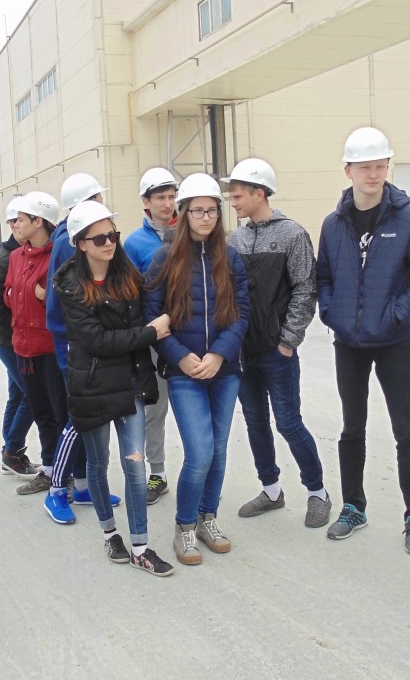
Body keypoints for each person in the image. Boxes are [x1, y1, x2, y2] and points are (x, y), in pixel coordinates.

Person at [316, 126, 410, 555]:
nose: (373, 174)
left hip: (393, 343)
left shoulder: (407, 219)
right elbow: (323, 277)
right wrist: (331, 312)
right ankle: (353, 507)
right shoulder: (333, 224)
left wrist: (396, 314)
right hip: (349, 344)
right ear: (348, 170)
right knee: (352, 428)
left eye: (380, 166)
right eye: (365, 167)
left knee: (405, 429)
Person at [54, 200, 175, 576]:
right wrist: (150, 333)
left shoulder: (128, 275)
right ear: (81, 244)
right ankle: (110, 534)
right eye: (100, 238)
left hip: (130, 382)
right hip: (91, 386)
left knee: (135, 465)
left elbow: (141, 317)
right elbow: (97, 341)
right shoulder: (70, 285)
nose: (109, 243)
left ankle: (140, 546)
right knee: (98, 462)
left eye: (113, 235)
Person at [145, 173, 249, 566]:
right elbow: (152, 318)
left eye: (212, 211)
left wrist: (220, 354)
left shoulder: (230, 258)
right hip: (184, 372)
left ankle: (208, 519)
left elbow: (242, 313)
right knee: (200, 451)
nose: (206, 217)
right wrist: (180, 357)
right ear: (184, 213)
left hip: (224, 370)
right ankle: (184, 526)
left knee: (218, 450)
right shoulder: (164, 259)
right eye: (198, 210)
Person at [222, 158, 332, 527]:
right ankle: (271, 491)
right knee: (255, 422)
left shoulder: (292, 235)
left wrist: (288, 340)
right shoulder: (235, 240)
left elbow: (306, 288)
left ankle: (318, 492)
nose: (233, 202)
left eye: (238, 196)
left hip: (277, 351)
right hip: (242, 351)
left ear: (259, 193)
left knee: (288, 422)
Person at [40, 172, 119, 524]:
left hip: (91, 345)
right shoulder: (68, 242)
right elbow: (60, 305)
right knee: (78, 419)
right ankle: (57, 490)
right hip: (75, 347)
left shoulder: (79, 238)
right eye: (98, 197)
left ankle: (84, 485)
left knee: (91, 419)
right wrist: (77, 343)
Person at [5, 192, 71, 510]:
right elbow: (8, 293)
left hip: (49, 349)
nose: (15, 225)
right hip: (24, 349)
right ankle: (48, 469)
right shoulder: (17, 257)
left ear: (38, 221)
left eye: (21, 219)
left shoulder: (57, 254)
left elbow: (65, 300)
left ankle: (66, 473)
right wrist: (20, 294)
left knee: (60, 414)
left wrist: (45, 297)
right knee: (40, 411)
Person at [123, 167, 178, 504]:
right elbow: (131, 295)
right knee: (154, 408)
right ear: (146, 202)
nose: (168, 203)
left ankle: (199, 471)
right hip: (155, 339)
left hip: (191, 337)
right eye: (161, 198)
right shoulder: (134, 243)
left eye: (172, 197)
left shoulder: (190, 234)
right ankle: (157, 473)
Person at [0, 197, 37, 478]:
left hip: (21, 340)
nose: (17, 225)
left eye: (21, 220)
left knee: (17, 395)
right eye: (13, 221)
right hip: (7, 341)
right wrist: (19, 327)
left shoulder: (30, 254)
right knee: (32, 394)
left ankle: (10, 452)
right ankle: (13, 451)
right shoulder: (2, 260)